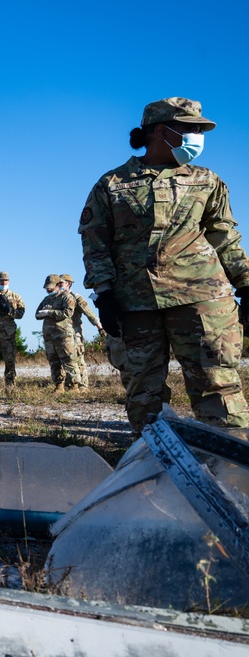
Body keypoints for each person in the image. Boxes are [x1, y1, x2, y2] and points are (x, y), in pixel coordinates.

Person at [79, 97, 249, 430]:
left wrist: (246, 282)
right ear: (161, 131)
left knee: (217, 384)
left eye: (200, 130)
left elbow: (224, 235)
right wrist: (104, 293)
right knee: (144, 393)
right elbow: (94, 240)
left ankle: (230, 468)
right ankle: (153, 466)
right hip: (136, 302)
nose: (197, 137)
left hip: (202, 298)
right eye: (190, 129)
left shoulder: (206, 180)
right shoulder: (112, 184)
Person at [35, 274, 80, 393]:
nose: (48, 289)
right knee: (54, 360)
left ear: (57, 285)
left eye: (50, 287)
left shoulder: (67, 297)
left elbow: (68, 313)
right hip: (49, 335)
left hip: (63, 334)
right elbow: (37, 314)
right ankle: (59, 385)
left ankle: (74, 386)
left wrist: (49, 312)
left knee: (69, 359)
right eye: (47, 287)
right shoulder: (46, 299)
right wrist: (42, 313)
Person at [61, 274, 104, 390]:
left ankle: (83, 386)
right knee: (67, 361)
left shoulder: (76, 297)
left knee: (78, 359)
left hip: (75, 334)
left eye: (61, 283)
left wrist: (99, 327)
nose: (59, 286)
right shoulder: (57, 298)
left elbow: (89, 313)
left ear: (68, 284)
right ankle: (70, 385)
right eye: (58, 284)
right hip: (62, 335)